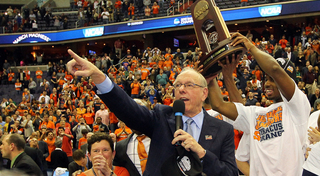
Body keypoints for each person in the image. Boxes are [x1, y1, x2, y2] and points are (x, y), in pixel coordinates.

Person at [66, 49, 238, 176]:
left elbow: (230, 173)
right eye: (178, 85)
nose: (182, 90)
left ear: (204, 93)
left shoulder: (222, 129)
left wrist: (202, 153)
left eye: (189, 85)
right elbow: (128, 110)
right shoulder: (162, 116)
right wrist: (98, 76)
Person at [207, 33, 311, 176]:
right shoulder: (256, 114)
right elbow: (218, 105)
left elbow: (274, 69)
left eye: (272, 80)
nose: (267, 83)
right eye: (266, 79)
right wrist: (211, 76)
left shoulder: (298, 106)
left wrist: (250, 46)